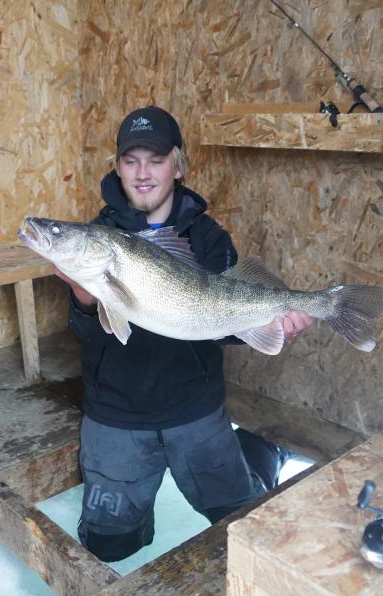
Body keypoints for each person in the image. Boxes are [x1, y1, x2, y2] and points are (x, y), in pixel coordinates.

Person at [55, 106, 313, 562]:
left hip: (194, 412)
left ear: (178, 164)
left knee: (241, 528)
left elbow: (221, 330)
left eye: (155, 160)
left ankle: (259, 457)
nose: (143, 173)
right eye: (131, 160)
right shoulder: (100, 239)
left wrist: (272, 321)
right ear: (117, 168)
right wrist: (85, 301)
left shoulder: (209, 238)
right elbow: (86, 333)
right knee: (107, 550)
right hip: (117, 416)